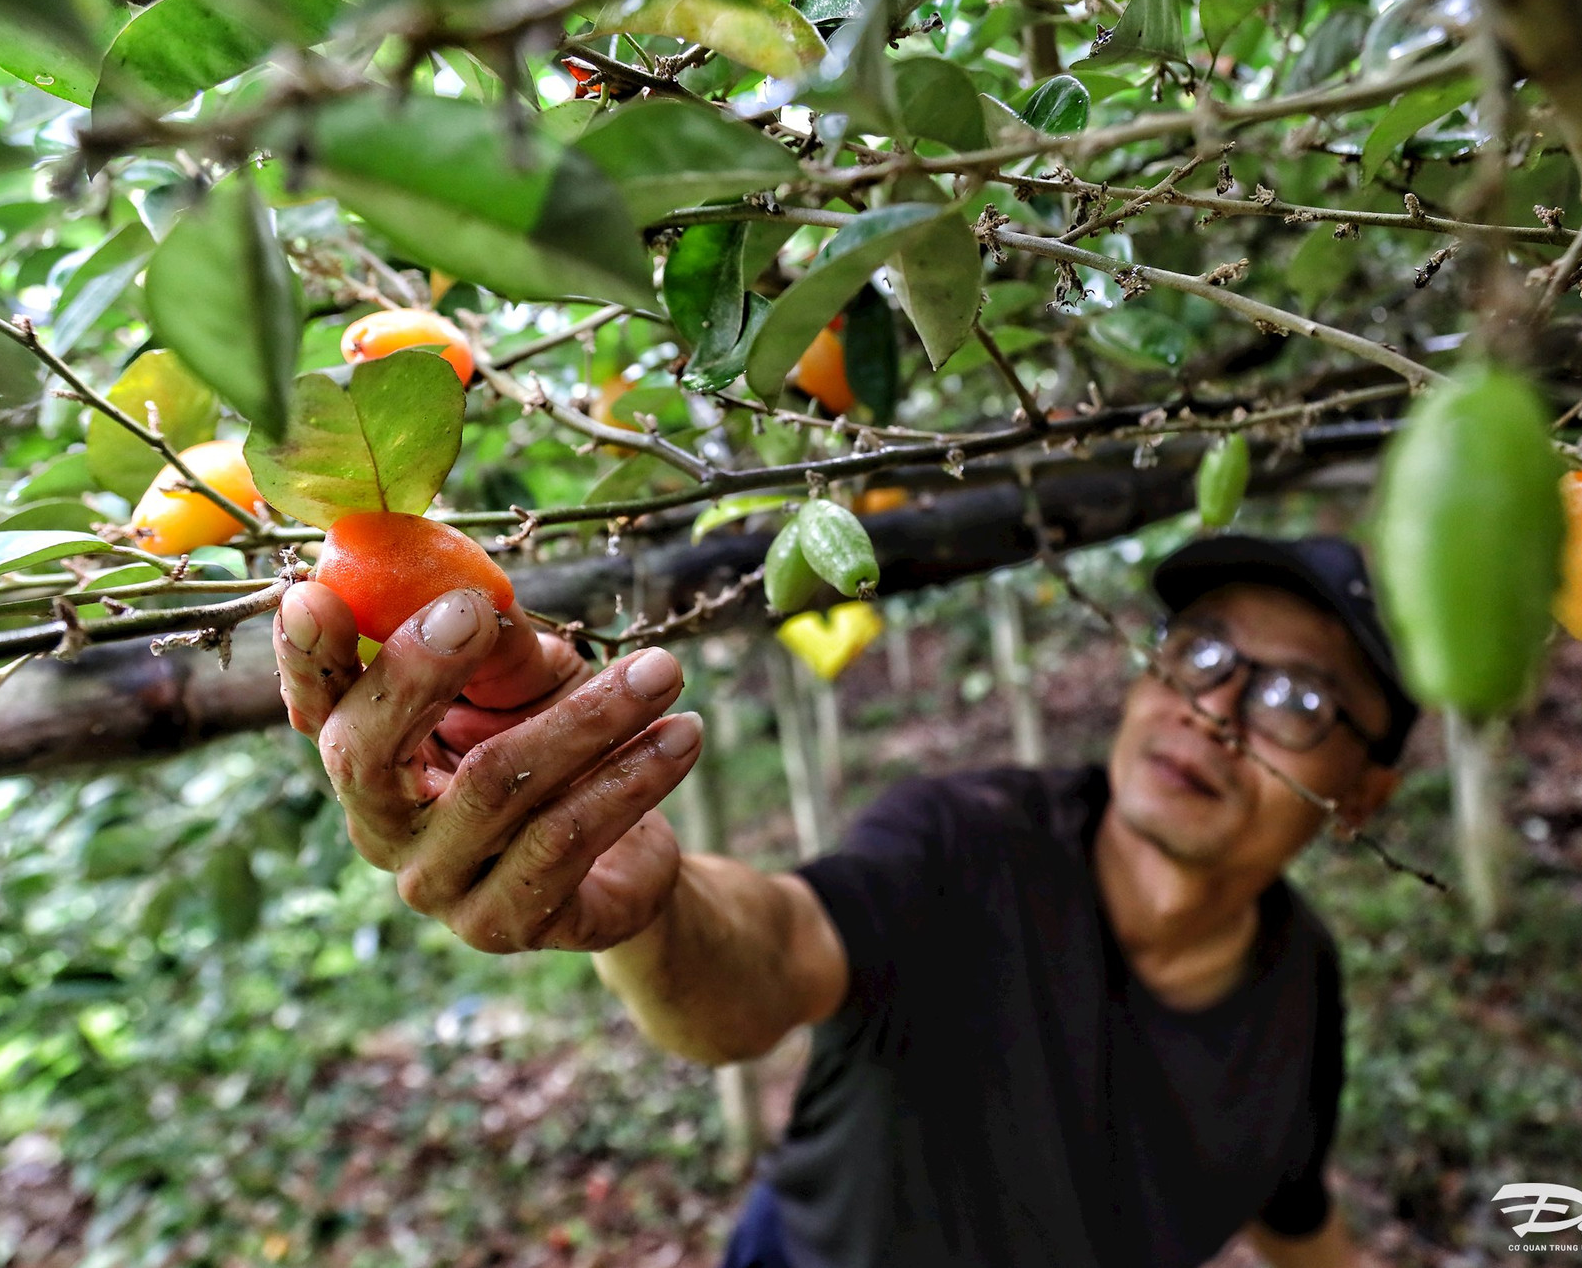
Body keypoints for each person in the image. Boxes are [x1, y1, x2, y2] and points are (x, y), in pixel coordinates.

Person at [273, 533, 1418, 1268]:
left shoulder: (1300, 977)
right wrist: (648, 903)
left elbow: (1296, 1216)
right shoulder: (970, 844)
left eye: (1296, 697)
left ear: (1363, 793)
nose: (1214, 712)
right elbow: (761, 963)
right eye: (1202, 652)